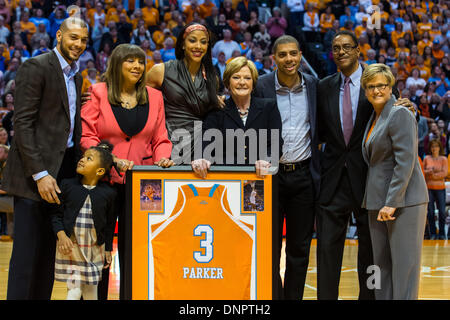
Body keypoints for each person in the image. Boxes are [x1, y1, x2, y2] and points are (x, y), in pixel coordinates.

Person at [316, 30, 412, 300]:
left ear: (359, 51)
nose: (342, 51)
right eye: (336, 48)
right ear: (332, 53)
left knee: (371, 253)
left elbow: (394, 111)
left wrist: (407, 105)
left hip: (368, 180)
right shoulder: (323, 86)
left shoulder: (375, 83)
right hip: (332, 181)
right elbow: (320, 133)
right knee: (326, 250)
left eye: (347, 47)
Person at [2, 17, 89, 300]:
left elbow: (69, 127)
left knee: (47, 258)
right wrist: (39, 174)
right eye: (73, 37)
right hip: (33, 174)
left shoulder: (76, 75)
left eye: (83, 40)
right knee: (26, 256)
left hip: (62, 172)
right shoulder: (36, 66)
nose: (78, 44)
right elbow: (23, 124)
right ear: (59, 35)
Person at [81, 43, 174, 300]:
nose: (137, 66)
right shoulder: (98, 92)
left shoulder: (154, 96)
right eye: (130, 61)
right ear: (117, 64)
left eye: (140, 62)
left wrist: (163, 159)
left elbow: (161, 138)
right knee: (99, 248)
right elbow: (87, 136)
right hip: (104, 180)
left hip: (144, 183)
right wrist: (111, 159)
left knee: (138, 248)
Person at [254, 35, 320, 300]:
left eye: (293, 54)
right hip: (268, 178)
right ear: (274, 59)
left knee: (299, 249)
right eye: (282, 55)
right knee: (267, 248)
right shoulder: (260, 86)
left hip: (304, 176)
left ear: (301, 55)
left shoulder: (316, 87)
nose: (289, 59)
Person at [361, 63, 428, 300]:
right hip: (377, 202)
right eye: (370, 86)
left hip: (403, 202)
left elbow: (406, 161)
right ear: (365, 89)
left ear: (391, 88)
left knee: (404, 269)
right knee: (380, 268)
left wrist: (392, 202)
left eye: (381, 85)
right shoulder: (374, 116)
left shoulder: (400, 112)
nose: (376, 90)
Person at [191, 56, 282, 178]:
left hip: (261, 178)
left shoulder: (269, 107)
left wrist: (267, 160)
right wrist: (201, 159)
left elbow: (276, 144)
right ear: (228, 83)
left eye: (247, 78)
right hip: (226, 179)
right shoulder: (217, 110)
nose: (242, 82)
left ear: (253, 83)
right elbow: (204, 143)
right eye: (236, 77)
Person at [51, 141, 117, 300]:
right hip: (71, 249)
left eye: (89, 159)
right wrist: (61, 236)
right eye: (83, 156)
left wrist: (108, 248)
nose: (82, 159)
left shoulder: (109, 193)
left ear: (100, 170)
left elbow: (109, 225)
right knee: (73, 291)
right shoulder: (67, 185)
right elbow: (56, 214)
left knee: (91, 292)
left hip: (95, 250)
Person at [146, 22, 220, 164]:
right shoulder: (160, 71)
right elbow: (137, 99)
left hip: (200, 149)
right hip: (167, 143)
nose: (198, 46)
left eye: (203, 42)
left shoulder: (212, 78)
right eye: (192, 40)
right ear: (182, 44)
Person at [423, 139, 448, 240]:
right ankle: (433, 233)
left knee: (442, 212)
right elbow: (423, 172)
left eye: (436, 146)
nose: (434, 148)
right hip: (429, 188)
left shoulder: (444, 159)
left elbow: (444, 173)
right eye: (432, 146)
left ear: (439, 148)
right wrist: (429, 173)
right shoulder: (426, 158)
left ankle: (442, 234)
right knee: (430, 212)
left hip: (440, 188)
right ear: (430, 148)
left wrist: (432, 175)